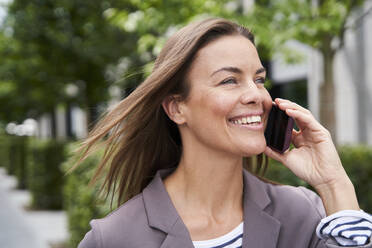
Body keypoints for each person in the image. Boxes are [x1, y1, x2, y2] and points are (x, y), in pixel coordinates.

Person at [77, 18, 372, 248]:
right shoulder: (113, 238)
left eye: (259, 79)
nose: (256, 95)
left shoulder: (305, 214)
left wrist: (334, 184)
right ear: (177, 108)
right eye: (229, 80)